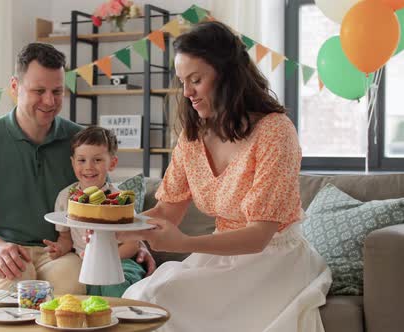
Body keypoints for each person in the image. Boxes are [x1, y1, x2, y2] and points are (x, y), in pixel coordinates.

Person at [118, 22, 332, 332]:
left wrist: (185, 243)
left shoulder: (275, 131)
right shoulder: (193, 137)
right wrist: (120, 230)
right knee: (145, 297)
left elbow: (260, 235)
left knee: (163, 302)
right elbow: (168, 210)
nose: (187, 92)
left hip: (275, 259)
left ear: (228, 76)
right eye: (182, 81)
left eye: (196, 80)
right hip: (222, 255)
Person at [0, 43, 155, 297]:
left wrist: (138, 245)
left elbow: (106, 205)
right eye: (39, 91)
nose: (50, 101)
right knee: (14, 291)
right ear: (15, 87)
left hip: (57, 253)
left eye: (57, 91)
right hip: (2, 252)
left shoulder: (80, 141)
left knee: (74, 288)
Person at [43, 126, 146, 297]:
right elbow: (65, 238)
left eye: (97, 160)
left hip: (121, 261)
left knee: (114, 287)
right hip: (85, 264)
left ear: (112, 163)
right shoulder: (66, 197)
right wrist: (59, 249)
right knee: (86, 291)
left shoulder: (120, 199)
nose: (88, 167)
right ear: (72, 162)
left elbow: (132, 244)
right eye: (81, 160)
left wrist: (104, 259)